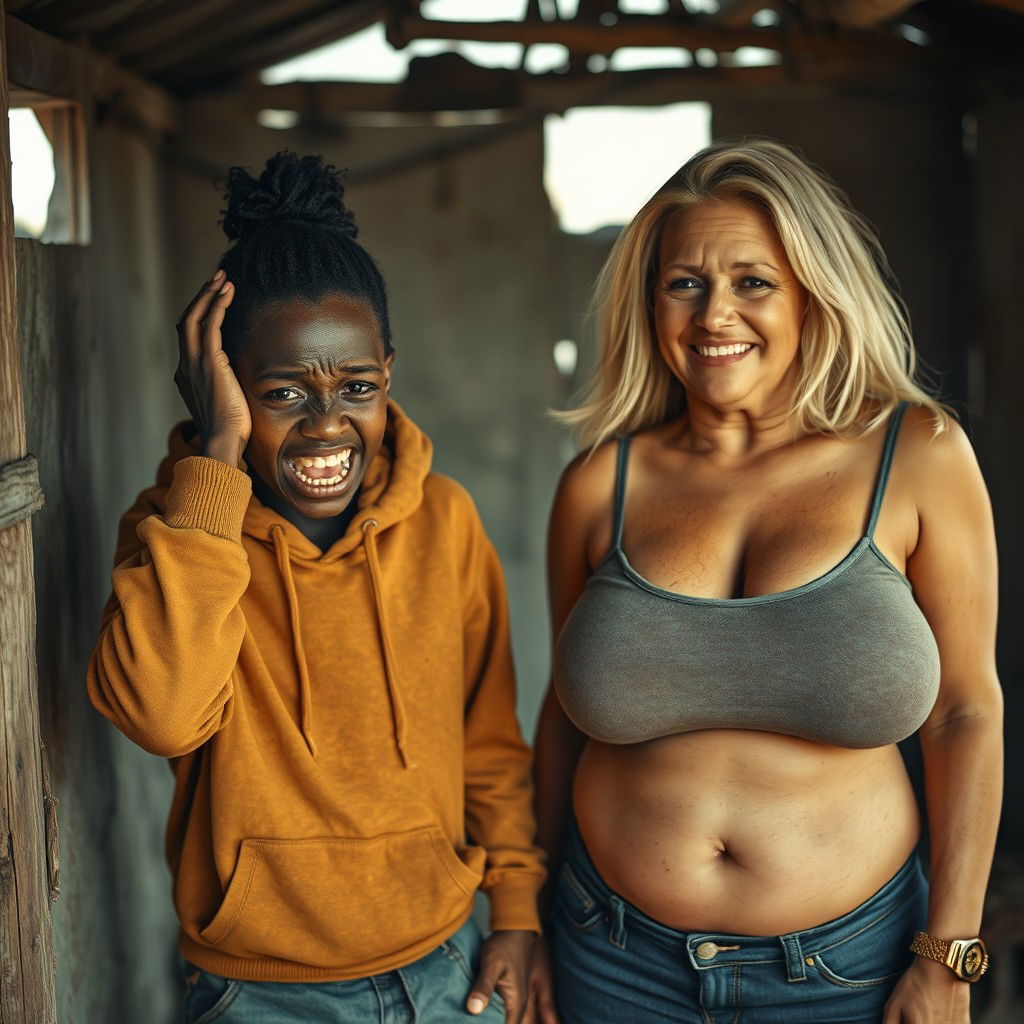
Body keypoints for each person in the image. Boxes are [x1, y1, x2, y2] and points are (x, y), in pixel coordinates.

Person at [526, 139, 1002, 1024]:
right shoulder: (599, 481)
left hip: (846, 973)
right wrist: (524, 922)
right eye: (684, 283)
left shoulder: (918, 455)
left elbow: (966, 711)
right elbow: (561, 717)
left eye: (753, 281)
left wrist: (951, 956)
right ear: (651, 300)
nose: (715, 315)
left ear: (812, 291)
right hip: (611, 959)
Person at [87, 151, 544, 1024]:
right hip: (257, 993)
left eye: (357, 388)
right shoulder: (175, 534)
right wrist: (216, 461)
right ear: (222, 388)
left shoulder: (444, 521)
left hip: (447, 970)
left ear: (389, 375)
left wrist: (515, 911)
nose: (327, 425)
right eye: (282, 393)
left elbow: (488, 738)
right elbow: (160, 715)